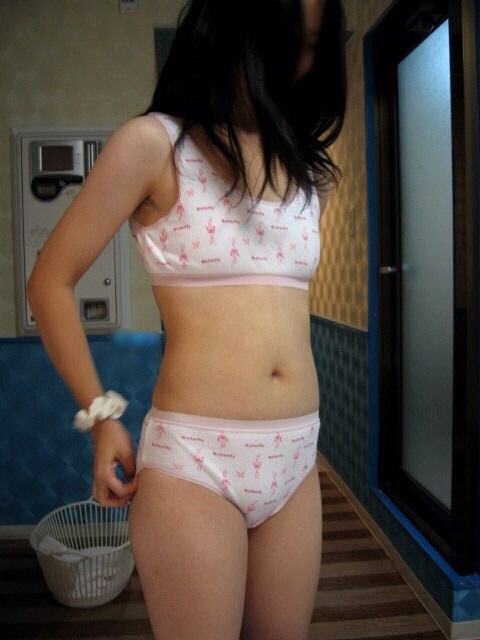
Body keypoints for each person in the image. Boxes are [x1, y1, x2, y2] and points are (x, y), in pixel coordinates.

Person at [27, 0, 346, 637]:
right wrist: (101, 418)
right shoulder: (156, 144)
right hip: (196, 462)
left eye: (316, 43)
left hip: (295, 458)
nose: (305, 60)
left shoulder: (301, 163)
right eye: (295, 39)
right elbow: (49, 282)